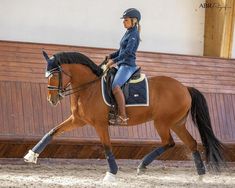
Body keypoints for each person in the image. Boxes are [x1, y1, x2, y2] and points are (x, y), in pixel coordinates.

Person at [106, 8, 141, 125]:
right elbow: (121, 50)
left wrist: (114, 61)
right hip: (122, 64)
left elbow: (128, 52)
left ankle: (123, 117)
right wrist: (110, 56)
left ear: (134, 21)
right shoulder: (128, 32)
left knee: (116, 87)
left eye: (126, 20)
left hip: (128, 66)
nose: (123, 22)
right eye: (124, 20)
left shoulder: (134, 34)